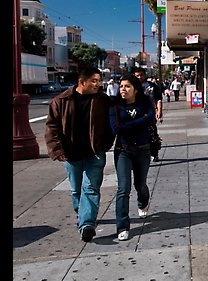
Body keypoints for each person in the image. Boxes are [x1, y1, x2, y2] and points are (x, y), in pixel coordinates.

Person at [45, 67, 114, 242]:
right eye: (94, 81)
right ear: (82, 82)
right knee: (76, 190)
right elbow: (52, 127)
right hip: (71, 153)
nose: (98, 84)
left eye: (99, 81)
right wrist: (57, 150)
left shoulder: (102, 100)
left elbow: (111, 122)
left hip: (94, 152)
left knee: (90, 188)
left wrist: (106, 143)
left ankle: (87, 224)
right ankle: (82, 214)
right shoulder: (60, 101)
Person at [109, 74, 156, 241]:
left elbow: (151, 119)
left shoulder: (145, 102)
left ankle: (143, 203)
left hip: (143, 150)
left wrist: (129, 125)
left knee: (140, 184)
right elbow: (116, 129)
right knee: (123, 188)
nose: (123, 89)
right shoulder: (115, 106)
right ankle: (122, 226)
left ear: (135, 89)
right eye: (121, 86)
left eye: (127, 86)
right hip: (123, 150)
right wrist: (140, 121)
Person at [133, 67, 163, 162]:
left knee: (152, 134)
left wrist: (159, 111)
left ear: (145, 75)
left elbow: (158, 99)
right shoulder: (131, 86)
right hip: (136, 115)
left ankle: (154, 153)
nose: (139, 77)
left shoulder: (152, 86)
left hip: (149, 114)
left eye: (141, 75)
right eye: (137, 75)